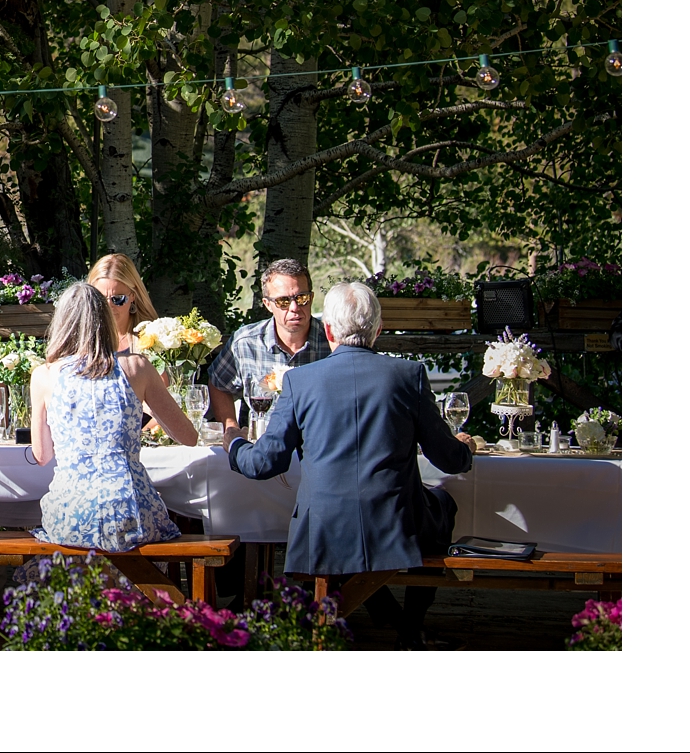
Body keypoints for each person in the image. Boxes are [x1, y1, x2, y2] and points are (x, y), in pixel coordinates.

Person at [228, 281, 474, 649]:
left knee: (352, 522)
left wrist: (233, 445)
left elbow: (264, 462)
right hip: (397, 521)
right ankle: (410, 624)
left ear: (328, 330)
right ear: (378, 329)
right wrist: (464, 447)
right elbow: (448, 460)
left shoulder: (300, 381)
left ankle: (387, 618)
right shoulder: (409, 376)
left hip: (323, 524)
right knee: (443, 503)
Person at [31, 282, 193, 551]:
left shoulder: (44, 375)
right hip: (132, 510)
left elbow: (42, 455)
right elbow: (188, 436)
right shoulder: (136, 367)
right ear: (105, 321)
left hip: (69, 514)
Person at [208, 257, 331, 435]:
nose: (294, 307)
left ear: (311, 298)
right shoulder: (246, 343)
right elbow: (218, 384)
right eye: (283, 301)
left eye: (302, 298)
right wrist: (231, 428)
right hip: (262, 448)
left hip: (318, 447)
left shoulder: (332, 341)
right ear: (268, 304)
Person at [86, 253, 158, 353]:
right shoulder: (84, 339)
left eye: (118, 298)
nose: (109, 306)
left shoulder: (152, 338)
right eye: (100, 298)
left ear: (133, 295)